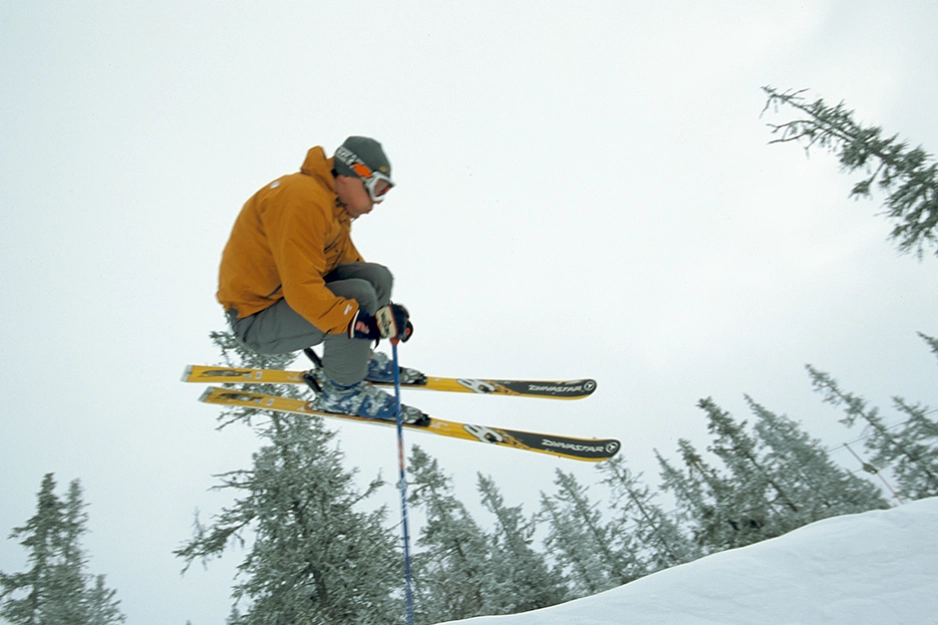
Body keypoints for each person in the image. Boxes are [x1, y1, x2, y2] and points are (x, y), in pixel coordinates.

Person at [216, 136, 427, 424]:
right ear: (351, 175)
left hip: (284, 299)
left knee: (376, 278)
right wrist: (359, 322)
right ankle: (342, 393)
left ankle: (357, 359)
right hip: (256, 317)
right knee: (355, 297)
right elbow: (301, 289)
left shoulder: (332, 206)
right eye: (376, 190)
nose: (376, 204)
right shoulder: (304, 199)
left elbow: (348, 264)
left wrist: (384, 317)